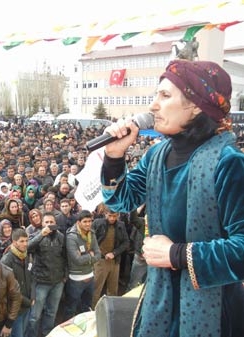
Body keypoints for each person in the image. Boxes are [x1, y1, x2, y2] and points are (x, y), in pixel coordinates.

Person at [100, 59, 244, 336]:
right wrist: (114, 156)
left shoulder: (229, 163)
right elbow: (120, 201)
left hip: (214, 311)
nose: (153, 105)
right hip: (161, 300)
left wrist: (176, 254)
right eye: (155, 95)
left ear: (198, 105)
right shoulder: (157, 155)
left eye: (165, 96)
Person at [26, 211, 66, 337]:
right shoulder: (36, 235)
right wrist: (41, 236)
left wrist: (64, 276)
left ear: (56, 223)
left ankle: (46, 333)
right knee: (35, 315)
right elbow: (27, 248)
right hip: (41, 282)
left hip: (57, 282)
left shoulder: (61, 237)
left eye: (51, 222)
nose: (49, 225)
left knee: (51, 312)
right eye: (46, 222)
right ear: (42, 224)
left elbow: (65, 257)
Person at [64, 210, 101, 319]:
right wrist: (90, 256)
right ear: (78, 222)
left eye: (90, 221)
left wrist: (85, 255)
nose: (88, 224)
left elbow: (98, 254)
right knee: (71, 308)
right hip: (76, 278)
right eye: (85, 221)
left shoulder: (92, 233)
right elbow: (77, 260)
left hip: (90, 275)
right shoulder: (72, 237)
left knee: (86, 307)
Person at [91, 205, 129, 307]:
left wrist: (114, 253)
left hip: (115, 261)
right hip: (100, 261)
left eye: (115, 216)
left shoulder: (121, 225)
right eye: (110, 216)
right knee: (96, 288)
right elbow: (90, 238)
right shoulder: (97, 223)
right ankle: (92, 310)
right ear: (105, 214)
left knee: (113, 289)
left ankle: (111, 309)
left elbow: (126, 243)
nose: (112, 218)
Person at [0, 229, 33, 337]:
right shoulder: (7, 261)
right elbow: (9, 289)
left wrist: (33, 296)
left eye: (26, 241)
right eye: (22, 241)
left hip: (27, 305)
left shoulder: (27, 255)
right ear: (14, 242)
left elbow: (32, 277)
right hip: (15, 310)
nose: (25, 244)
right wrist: (27, 302)